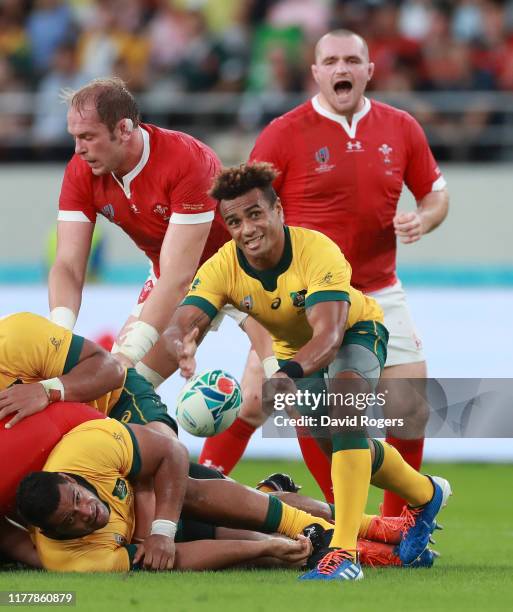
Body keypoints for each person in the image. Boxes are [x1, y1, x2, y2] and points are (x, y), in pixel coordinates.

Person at [202, 29, 449, 514]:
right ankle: (341, 519)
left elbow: (436, 194)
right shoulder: (283, 133)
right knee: (264, 401)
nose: (342, 69)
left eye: (353, 60)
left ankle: (396, 530)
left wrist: (423, 217)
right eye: (331, 61)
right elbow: (245, 212)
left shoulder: (401, 128)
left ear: (369, 71)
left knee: (409, 406)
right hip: (301, 294)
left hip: (377, 288)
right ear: (315, 72)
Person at [168, 162, 450, 581]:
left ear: (278, 210)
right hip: (297, 355)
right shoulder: (221, 266)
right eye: (234, 221)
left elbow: (331, 335)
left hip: (355, 331)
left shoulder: (317, 251)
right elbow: (184, 318)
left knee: (346, 407)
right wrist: (182, 340)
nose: (246, 228)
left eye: (255, 214)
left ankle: (344, 553)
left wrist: (287, 373)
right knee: (338, 444)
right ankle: (427, 495)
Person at [11, 408, 436, 572]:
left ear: (71, 480)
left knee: (194, 492)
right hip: (162, 524)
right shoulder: (70, 562)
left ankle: (390, 528)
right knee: (277, 547)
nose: (88, 513)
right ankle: (398, 550)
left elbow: (170, 453)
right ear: (50, 534)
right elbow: (172, 559)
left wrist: (158, 526)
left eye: (81, 499)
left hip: (162, 473)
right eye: (72, 520)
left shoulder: (87, 447)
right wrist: (262, 550)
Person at [46, 76, 246, 389]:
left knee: (288, 392)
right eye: (74, 137)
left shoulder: (187, 160)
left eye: (87, 136)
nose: (78, 149)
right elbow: (68, 265)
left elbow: (178, 276)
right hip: (175, 277)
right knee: (121, 394)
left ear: (124, 129)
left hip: (246, 271)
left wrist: (128, 353)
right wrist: (57, 340)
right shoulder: (81, 169)